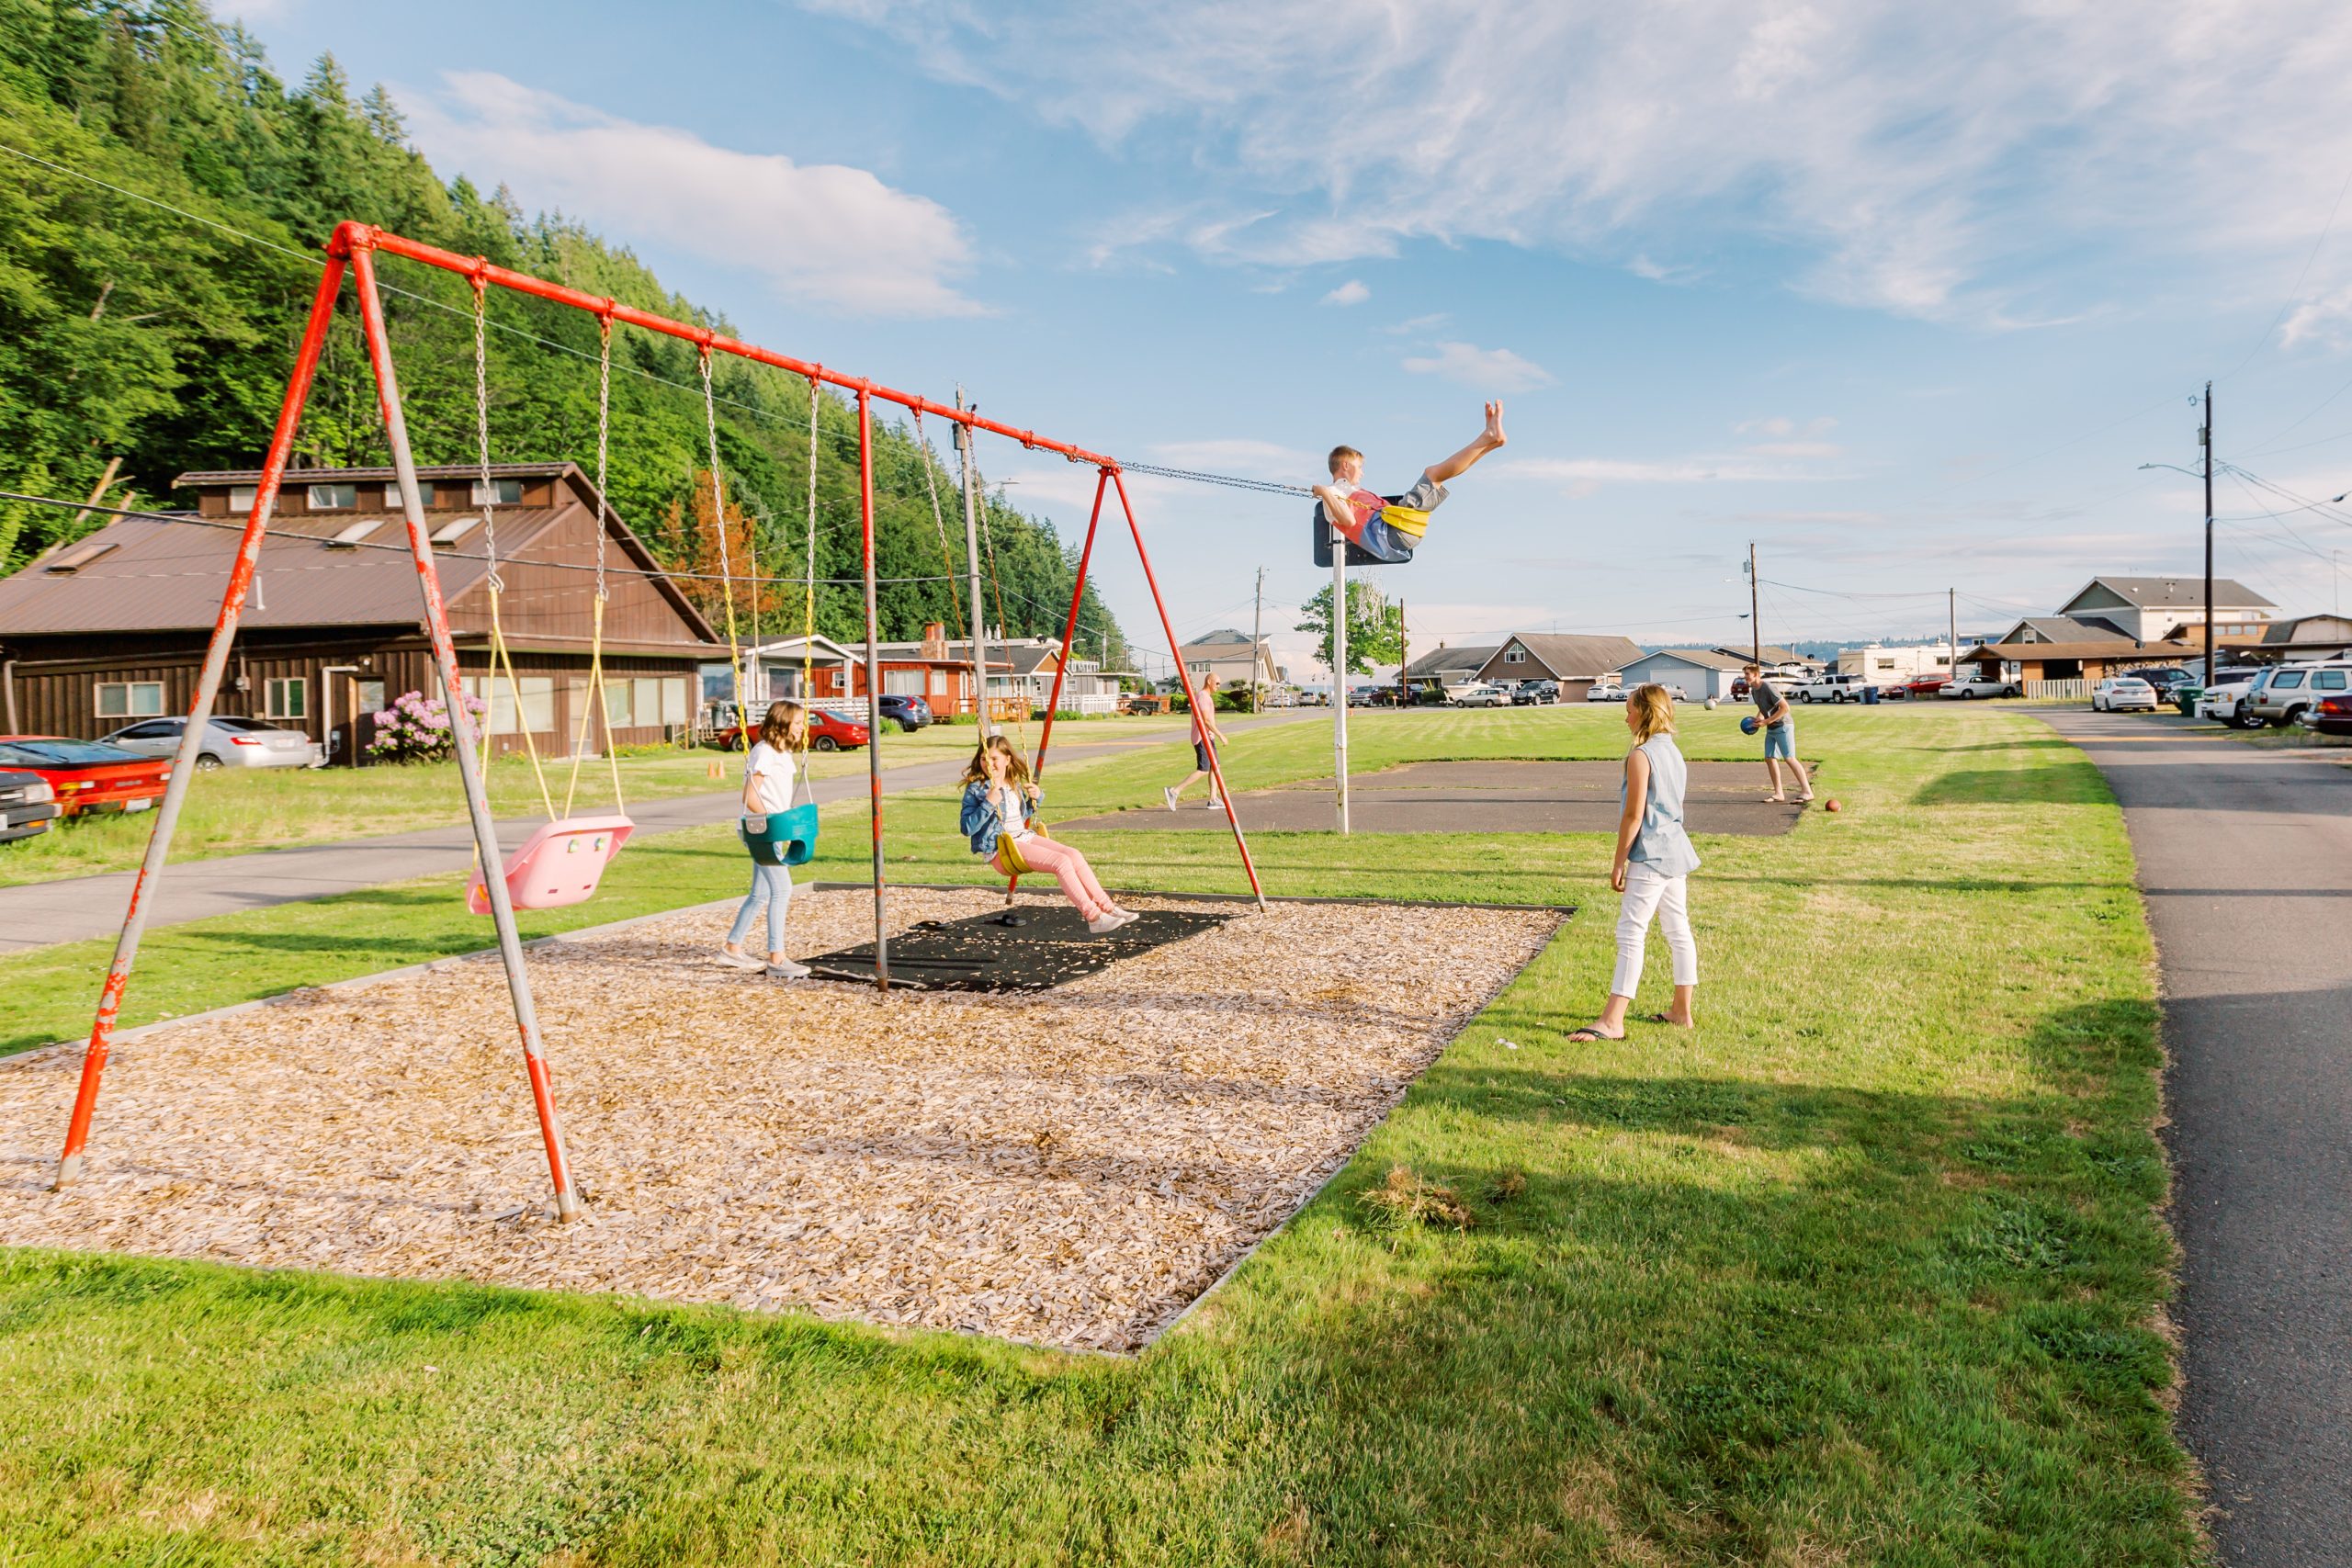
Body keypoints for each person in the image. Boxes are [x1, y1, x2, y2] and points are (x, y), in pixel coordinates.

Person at [1568, 684, 1700, 1043]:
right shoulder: (1673, 752)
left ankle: (1613, 1021)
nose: (1626, 717)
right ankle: (1681, 1012)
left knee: (1631, 933)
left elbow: (1633, 815)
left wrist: (1618, 863)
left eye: (1629, 710)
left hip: (1651, 855)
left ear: (1645, 712)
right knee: (1678, 930)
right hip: (1675, 851)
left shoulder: (1641, 755)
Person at [960, 734, 1136, 934]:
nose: (989, 764)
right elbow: (967, 828)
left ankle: (1108, 908)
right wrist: (988, 803)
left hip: (1023, 837)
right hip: (1002, 849)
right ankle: (1094, 918)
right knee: (1061, 862)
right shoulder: (977, 789)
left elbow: (1019, 817)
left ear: (1007, 759)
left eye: (994, 759)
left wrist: (1036, 798)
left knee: (1073, 854)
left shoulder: (1013, 784)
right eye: (984, 759)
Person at [1310, 402, 1508, 565]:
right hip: (1394, 533)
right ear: (1345, 465)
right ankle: (1487, 438)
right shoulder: (1334, 493)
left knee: (1437, 478)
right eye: (1359, 466)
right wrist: (1324, 492)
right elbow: (1349, 521)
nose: (1362, 472)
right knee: (1433, 474)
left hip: (1402, 531)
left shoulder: (1347, 491)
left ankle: (1491, 443)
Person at [719, 699, 812, 978]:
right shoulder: (764, 753)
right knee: (782, 889)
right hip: (762, 830)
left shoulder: (782, 753)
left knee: (760, 893)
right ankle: (777, 958)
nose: (802, 727)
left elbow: (776, 795)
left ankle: (732, 948)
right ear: (782, 722)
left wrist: (787, 823)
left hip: (774, 829)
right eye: (798, 722)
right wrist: (774, 823)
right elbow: (750, 797)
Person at [1744, 662, 1814, 803]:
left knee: (1790, 758)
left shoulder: (1768, 687)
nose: (1745, 677)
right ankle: (1779, 793)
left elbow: (1785, 708)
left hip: (1783, 726)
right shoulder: (1754, 690)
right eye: (1745, 674)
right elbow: (1763, 708)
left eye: (1747, 674)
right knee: (1769, 758)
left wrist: (1766, 721)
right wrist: (1758, 719)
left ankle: (1807, 791)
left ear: (1756, 674)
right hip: (1771, 728)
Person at [1164, 673, 1230, 811]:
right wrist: (1221, 735)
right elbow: (1206, 720)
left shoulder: (1205, 697)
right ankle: (1174, 791)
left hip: (1208, 737)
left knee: (1215, 766)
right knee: (1203, 770)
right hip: (1202, 738)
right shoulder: (1203, 697)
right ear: (1209, 681)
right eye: (1217, 683)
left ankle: (1213, 799)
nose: (1218, 686)